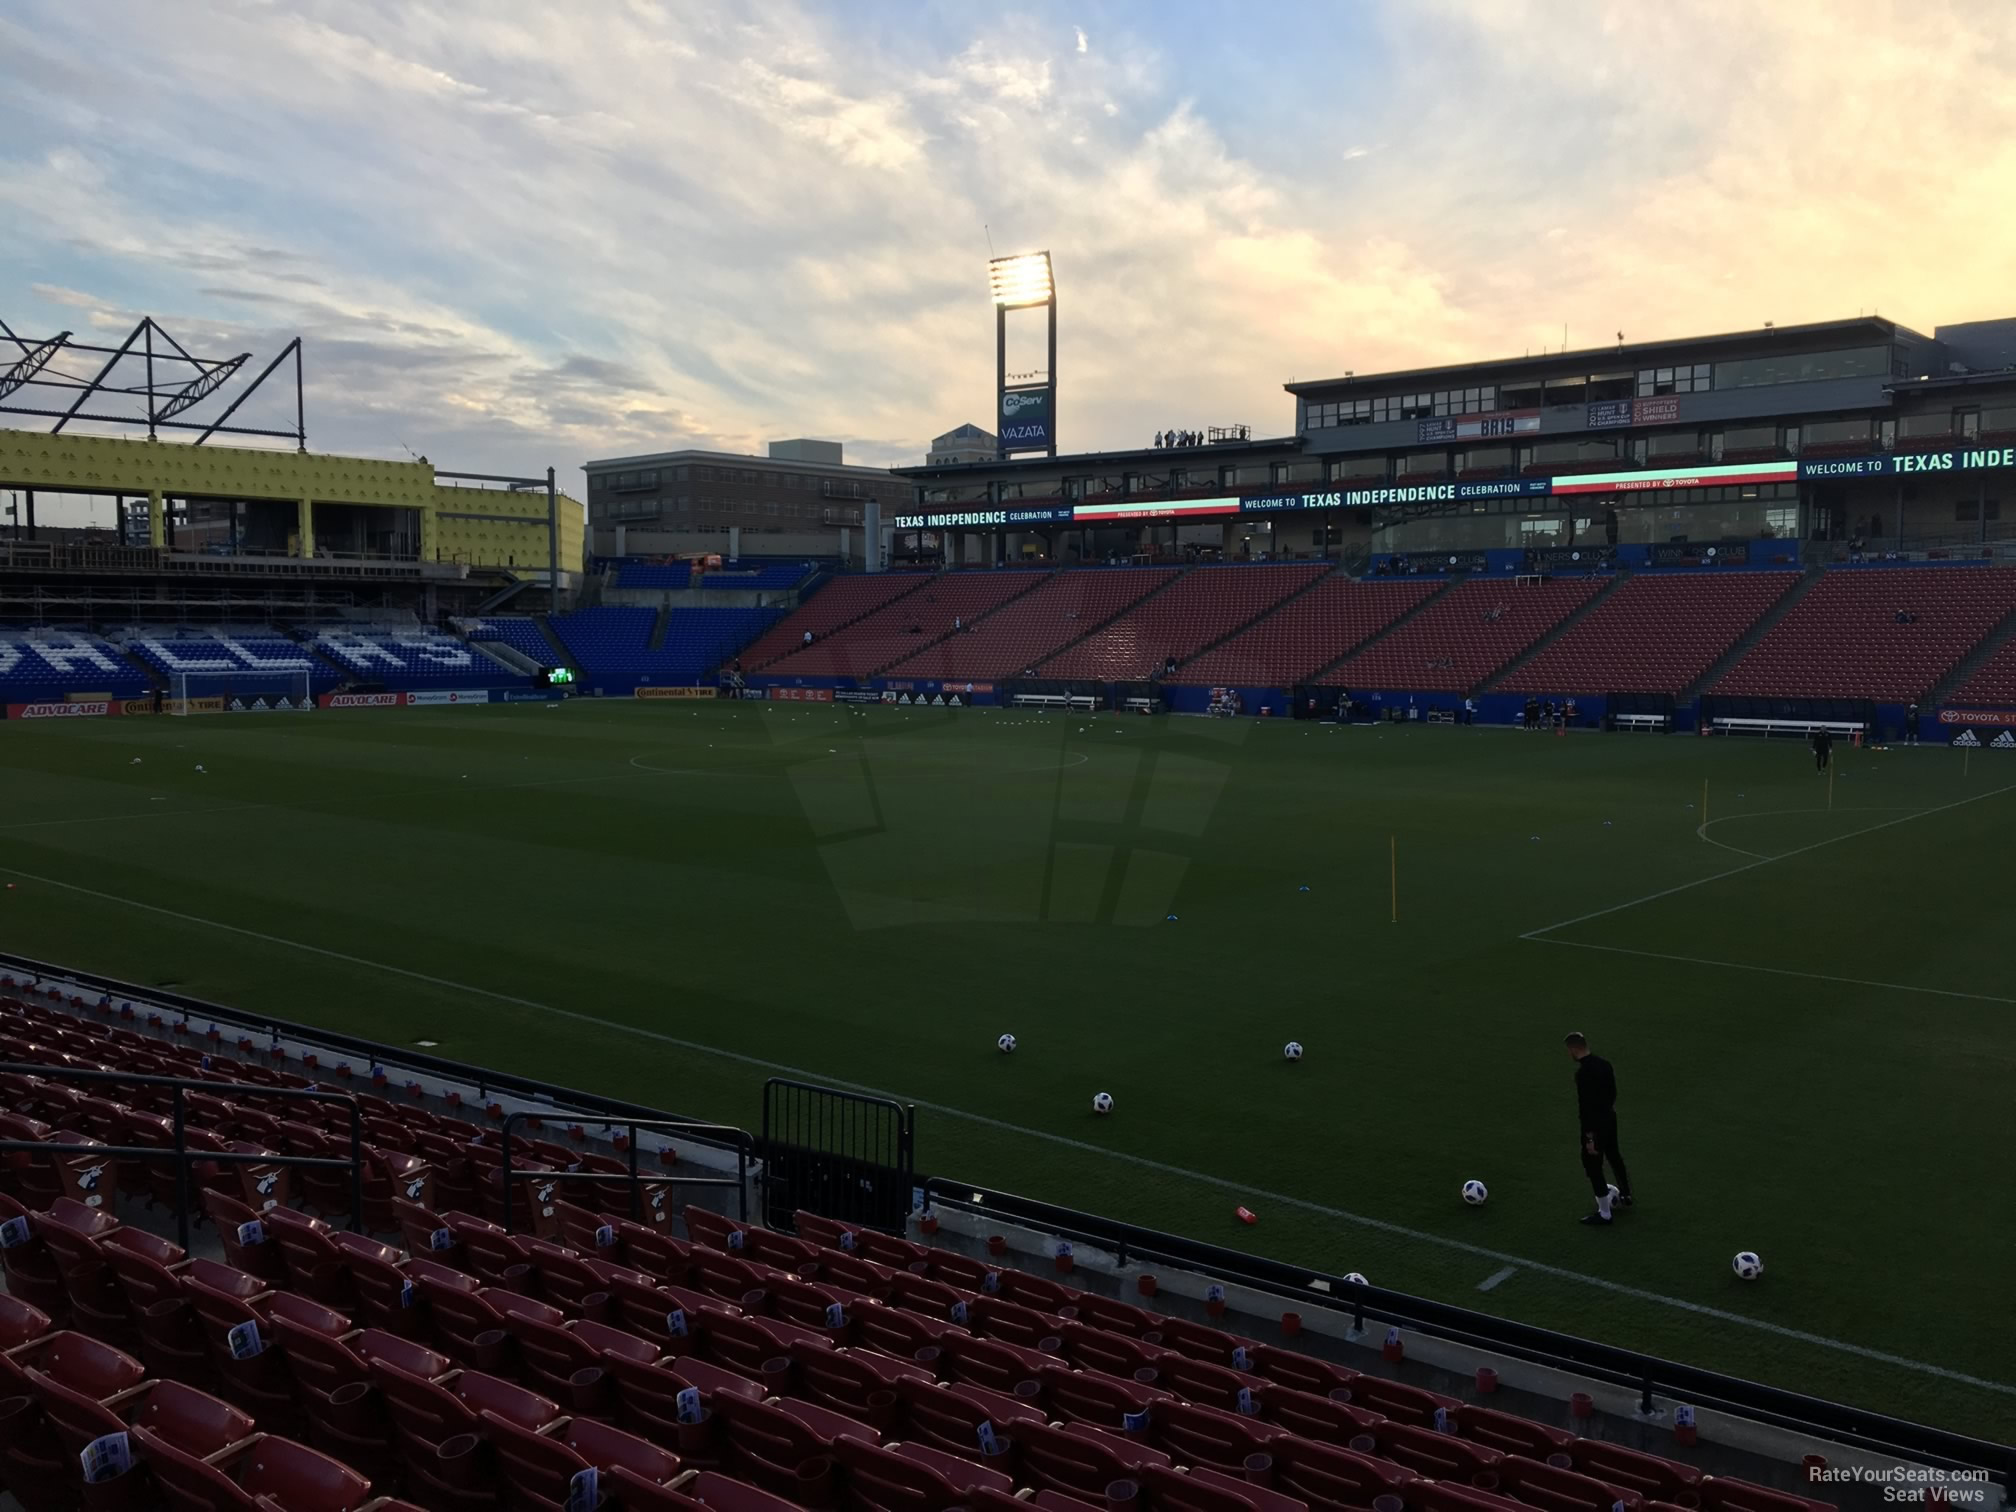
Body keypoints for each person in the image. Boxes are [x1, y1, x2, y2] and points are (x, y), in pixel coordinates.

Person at [1565, 1032, 1631, 1224]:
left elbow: (1585, 1107)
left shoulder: (1583, 1074)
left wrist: (1589, 1137)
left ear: (1574, 1049)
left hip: (1594, 1126)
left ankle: (1604, 1213)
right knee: (1614, 1155)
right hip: (1610, 1118)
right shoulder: (1605, 1064)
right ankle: (1626, 1194)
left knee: (1593, 1165)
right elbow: (1613, 1093)